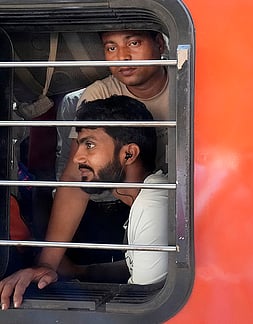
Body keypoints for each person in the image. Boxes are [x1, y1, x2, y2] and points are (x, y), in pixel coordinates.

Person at [0, 29, 170, 309]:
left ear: (160, 44)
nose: (123, 56)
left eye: (134, 43)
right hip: (119, 196)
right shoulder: (100, 94)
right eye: (111, 48)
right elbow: (75, 179)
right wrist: (48, 264)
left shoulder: (188, 84)